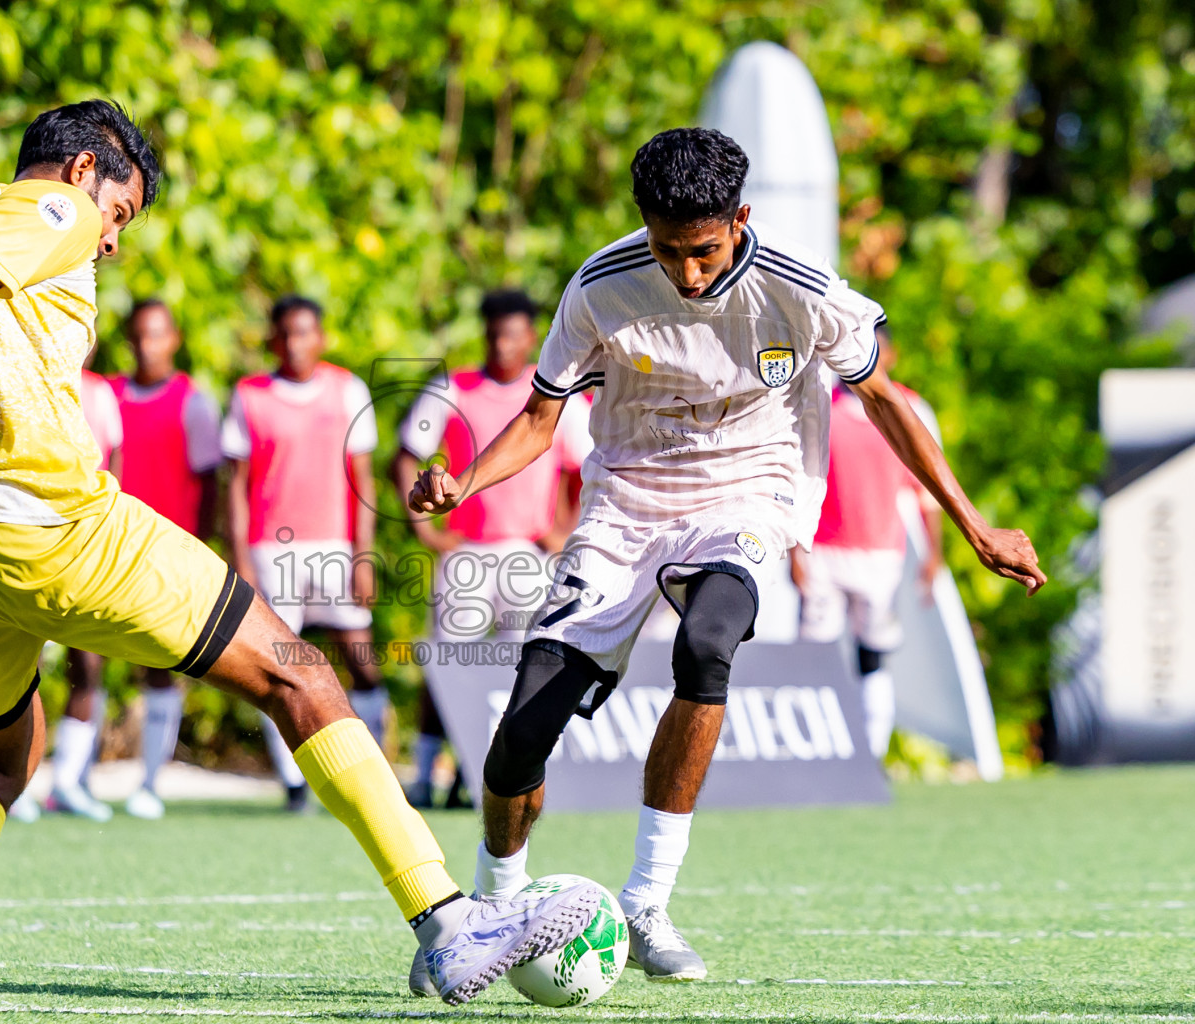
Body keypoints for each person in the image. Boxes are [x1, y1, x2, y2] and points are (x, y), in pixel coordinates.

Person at [0, 99, 600, 1016]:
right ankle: (451, 926)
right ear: (80, 171)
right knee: (300, 675)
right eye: (120, 213)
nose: (108, 242)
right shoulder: (44, 211)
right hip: (48, 525)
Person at [407, 127, 1044, 991]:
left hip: (750, 495)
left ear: (740, 218)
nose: (689, 273)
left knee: (707, 643)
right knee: (522, 731)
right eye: (669, 252)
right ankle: (490, 912)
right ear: (643, 225)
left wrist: (973, 525)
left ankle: (647, 900)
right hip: (626, 505)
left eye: (704, 251)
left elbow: (886, 402)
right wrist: (466, 482)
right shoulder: (599, 285)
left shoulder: (801, 288)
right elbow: (540, 415)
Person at [392, 288, 590, 809]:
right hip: (468, 555)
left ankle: (489, 773)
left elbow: (583, 469)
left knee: (520, 671)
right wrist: (426, 530)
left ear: (531, 338)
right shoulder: (453, 386)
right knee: (449, 665)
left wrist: (564, 526)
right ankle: (426, 771)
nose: (503, 344)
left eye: (513, 334)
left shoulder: (554, 392)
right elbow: (406, 455)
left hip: (529, 554)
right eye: (494, 334)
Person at [222, 296, 388, 813]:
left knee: (361, 660)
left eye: (305, 333)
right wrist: (243, 558)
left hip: (335, 548)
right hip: (272, 549)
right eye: (286, 334)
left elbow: (364, 481)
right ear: (272, 339)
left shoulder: (347, 390)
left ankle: (372, 767)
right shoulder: (250, 395)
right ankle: (297, 783)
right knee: (279, 666)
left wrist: (364, 555)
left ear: (321, 338)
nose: (295, 343)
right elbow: (236, 486)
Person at [791, 325, 944, 758]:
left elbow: (927, 491)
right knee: (815, 651)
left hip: (880, 555)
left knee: (872, 651)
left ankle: (870, 753)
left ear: (891, 355)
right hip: (822, 552)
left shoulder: (911, 410)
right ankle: (812, 750)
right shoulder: (819, 406)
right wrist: (794, 552)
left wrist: (935, 554)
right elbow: (798, 482)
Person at [105, 298, 224, 821]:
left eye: (157, 335)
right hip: (107, 546)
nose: (146, 346)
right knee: (85, 662)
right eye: (138, 336)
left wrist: (199, 548)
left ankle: (151, 781)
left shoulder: (192, 403)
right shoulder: (106, 394)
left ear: (173, 339)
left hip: (166, 552)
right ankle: (68, 780)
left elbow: (211, 484)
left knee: (160, 664)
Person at [34, 346, 125, 824]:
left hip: (87, 544)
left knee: (87, 664)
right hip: (33, 540)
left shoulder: (100, 393)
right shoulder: (28, 379)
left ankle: (67, 783)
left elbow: (115, 465)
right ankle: (19, 783)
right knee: (24, 663)